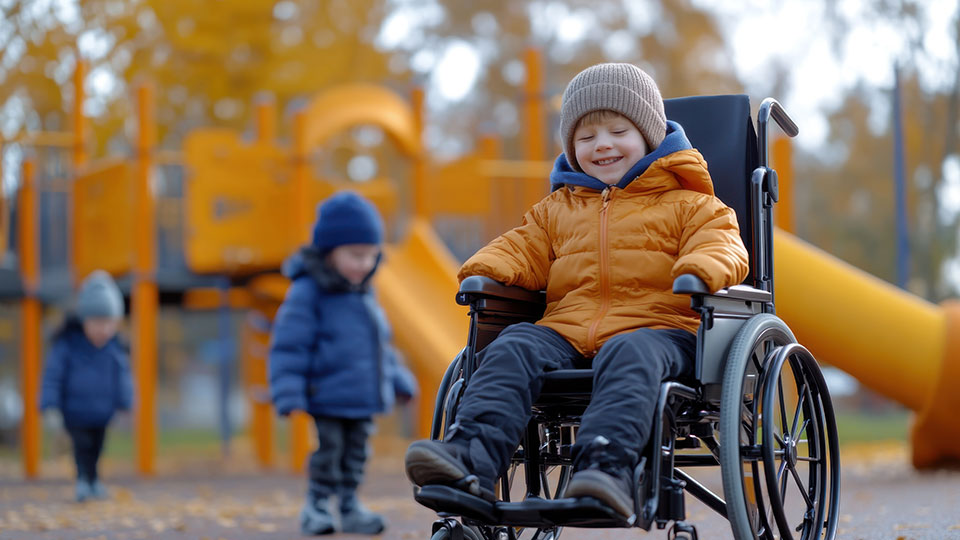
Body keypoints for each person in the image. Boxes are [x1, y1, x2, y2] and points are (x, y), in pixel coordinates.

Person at [404, 63, 749, 519]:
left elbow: (724, 245)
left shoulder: (692, 203)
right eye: (585, 138)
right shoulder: (556, 210)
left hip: (662, 329)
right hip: (568, 328)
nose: (601, 145)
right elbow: (521, 248)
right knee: (514, 345)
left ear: (649, 134)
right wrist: (484, 270)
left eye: (617, 131)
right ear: (571, 147)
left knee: (630, 353)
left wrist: (701, 269)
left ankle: (606, 471)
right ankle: (468, 459)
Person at [269, 191, 418, 536]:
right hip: (327, 394)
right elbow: (290, 346)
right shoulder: (308, 292)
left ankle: (350, 506)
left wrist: (398, 379)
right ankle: (316, 505)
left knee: (355, 456)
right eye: (355, 255)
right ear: (328, 252)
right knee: (329, 452)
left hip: (363, 396)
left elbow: (379, 346)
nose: (364, 265)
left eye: (371, 256)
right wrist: (288, 391)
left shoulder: (365, 292)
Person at [40, 270, 132, 502]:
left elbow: (122, 377)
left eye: (108, 323)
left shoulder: (114, 348)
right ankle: (83, 480)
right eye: (97, 322)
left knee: (97, 448)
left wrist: (125, 403)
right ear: (84, 320)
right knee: (82, 447)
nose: (102, 329)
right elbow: (53, 375)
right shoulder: (67, 344)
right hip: (75, 411)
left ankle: (94, 480)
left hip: (102, 411)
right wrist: (49, 404)